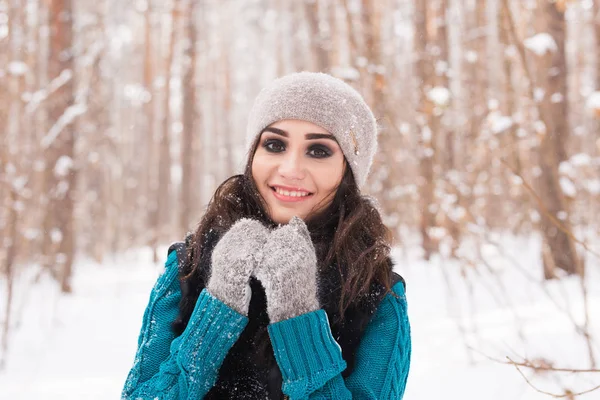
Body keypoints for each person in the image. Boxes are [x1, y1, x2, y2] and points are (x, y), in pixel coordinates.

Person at [121, 72, 411, 399]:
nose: (290, 168)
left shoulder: (377, 291)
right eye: (274, 144)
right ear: (253, 155)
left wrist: (298, 318)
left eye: (318, 151)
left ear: (348, 171)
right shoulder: (189, 266)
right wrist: (217, 308)